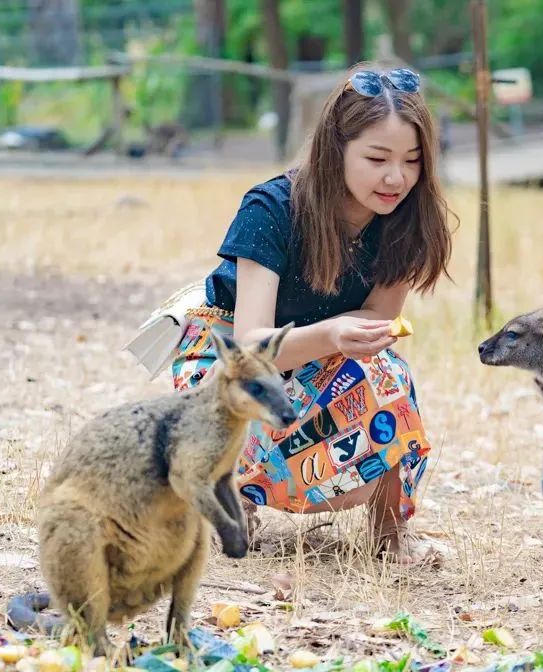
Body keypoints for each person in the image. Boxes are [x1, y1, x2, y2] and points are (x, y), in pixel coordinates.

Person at [170, 64, 454, 564]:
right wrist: (331, 334)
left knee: (389, 375)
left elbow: (375, 322)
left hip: (322, 356)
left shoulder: (407, 221)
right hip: (229, 355)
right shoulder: (272, 208)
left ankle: (390, 533)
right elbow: (249, 346)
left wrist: (345, 339)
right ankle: (229, 494)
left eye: (412, 161)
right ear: (334, 149)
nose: (396, 177)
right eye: (376, 158)